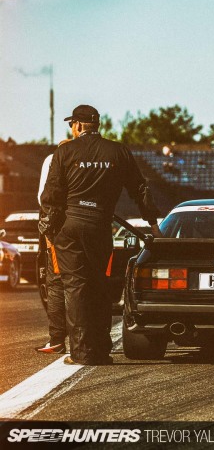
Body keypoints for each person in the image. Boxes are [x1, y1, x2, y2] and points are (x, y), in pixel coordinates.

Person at [39, 105, 161, 366]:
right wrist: (153, 224)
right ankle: (102, 350)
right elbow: (140, 188)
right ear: (97, 125)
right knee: (98, 286)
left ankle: (82, 353)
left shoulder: (65, 152)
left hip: (69, 228)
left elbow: (50, 197)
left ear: (79, 125)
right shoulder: (117, 151)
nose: (71, 129)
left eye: (72, 124)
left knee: (75, 287)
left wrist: (49, 231)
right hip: (100, 227)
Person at [34, 139, 71, 354]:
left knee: (56, 281)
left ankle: (57, 338)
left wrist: (47, 229)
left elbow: (43, 198)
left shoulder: (52, 159)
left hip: (57, 225)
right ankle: (90, 336)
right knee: (86, 282)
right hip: (86, 223)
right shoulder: (88, 157)